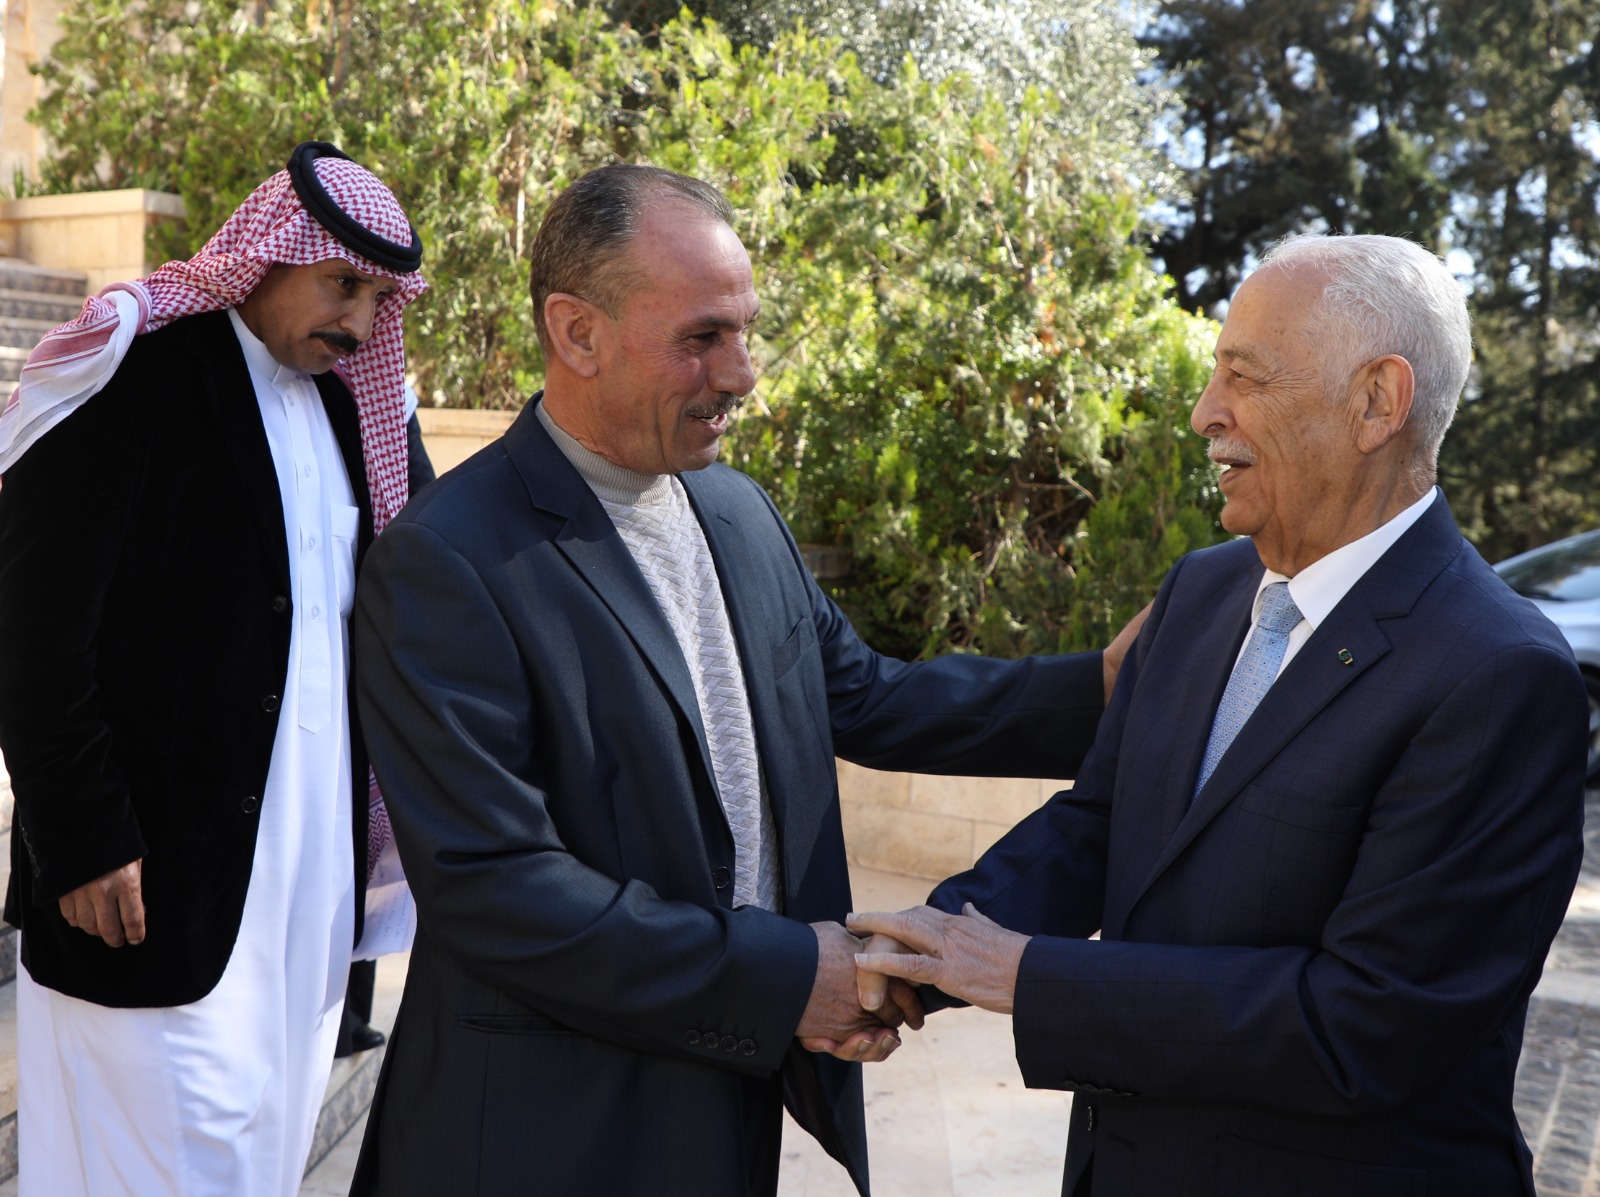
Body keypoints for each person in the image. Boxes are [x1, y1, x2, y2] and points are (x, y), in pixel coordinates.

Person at [347, 162, 1136, 1196]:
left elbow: (865, 698)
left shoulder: (736, 511)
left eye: (745, 331)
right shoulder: (447, 558)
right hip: (549, 1128)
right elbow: (497, 889)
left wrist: (1110, 687)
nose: (743, 373)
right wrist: (789, 977)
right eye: (703, 337)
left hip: (730, 1089)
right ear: (576, 333)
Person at [851, 233, 1589, 1197]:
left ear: (1378, 401)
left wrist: (1032, 976)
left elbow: (1367, 1023)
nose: (1206, 412)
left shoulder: (1500, 674)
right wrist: (919, 949)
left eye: (1245, 377)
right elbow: (1100, 824)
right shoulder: (1202, 591)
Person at [0, 141, 430, 1196]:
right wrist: (81, 836)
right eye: (341, 283)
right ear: (268, 253)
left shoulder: (351, 408)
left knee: (257, 1167)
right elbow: (29, 627)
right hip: (147, 881)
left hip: (305, 894)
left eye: (379, 299)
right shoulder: (135, 374)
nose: (359, 322)